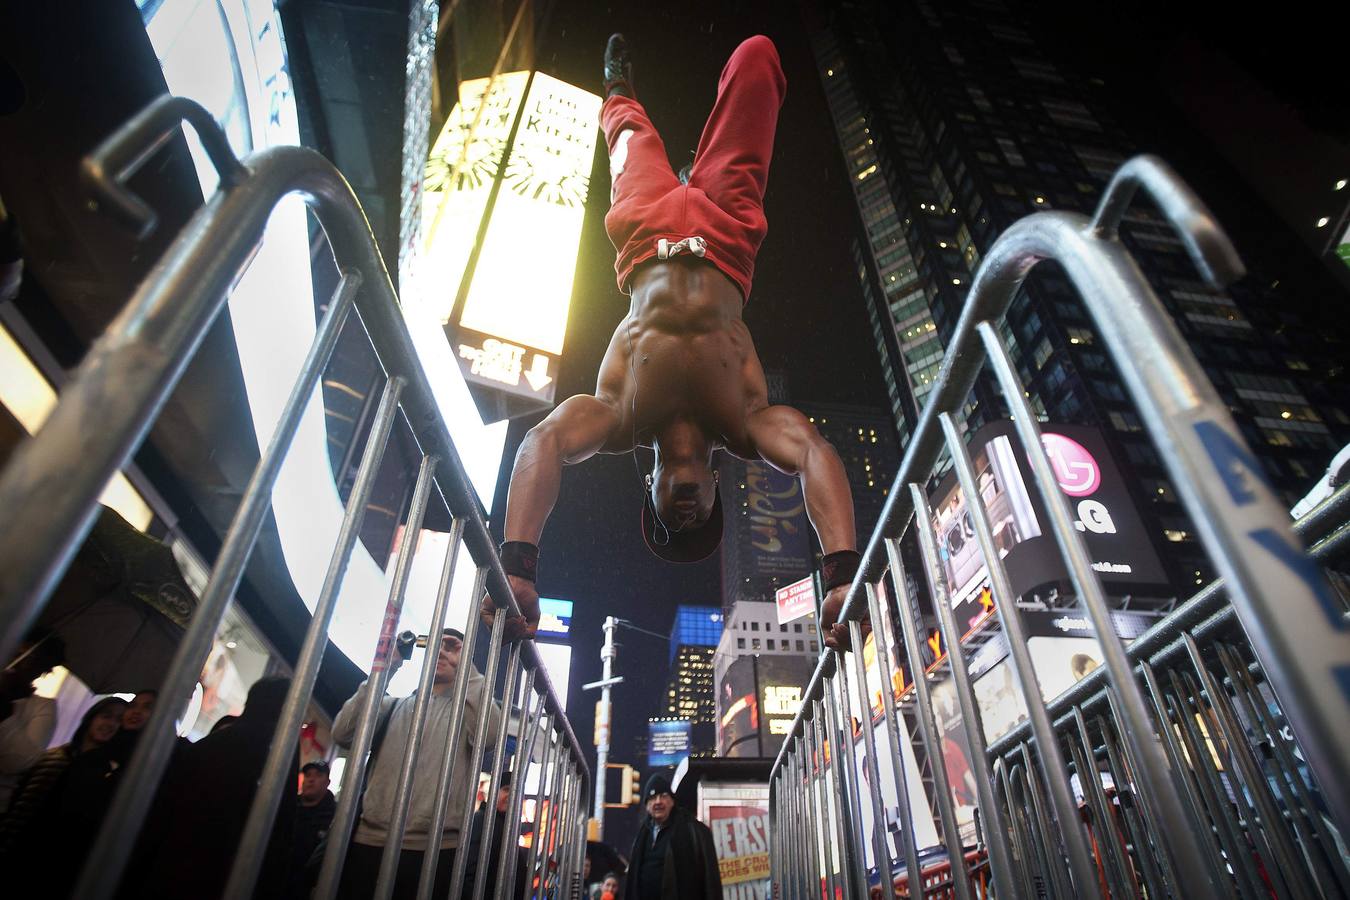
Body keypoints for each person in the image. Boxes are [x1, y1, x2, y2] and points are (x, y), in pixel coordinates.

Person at [487, 34, 862, 650]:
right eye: (700, 524)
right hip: (726, 231)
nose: (687, 520)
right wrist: (842, 574)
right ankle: (686, 101)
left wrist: (520, 565)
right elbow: (815, 453)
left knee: (628, 135)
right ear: (717, 492)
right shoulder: (746, 424)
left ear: (652, 492)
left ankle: (617, 87)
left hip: (647, 230)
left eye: (670, 525)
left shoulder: (617, 418)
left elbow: (543, 440)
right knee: (760, 58)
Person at [331, 627, 502, 899]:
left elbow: (491, 736)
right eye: (438, 646)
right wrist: (387, 667)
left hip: (436, 848)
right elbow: (343, 733)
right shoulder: (392, 706)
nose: (444, 652)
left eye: (453, 647)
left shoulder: (468, 716)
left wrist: (467, 669)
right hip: (370, 841)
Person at [127, 676, 296, 899]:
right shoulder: (278, 757)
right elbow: (279, 836)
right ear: (285, 708)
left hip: (168, 869)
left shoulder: (206, 747)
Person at [0, 696, 126, 863]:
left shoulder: (107, 771)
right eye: (106, 715)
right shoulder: (52, 756)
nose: (111, 724)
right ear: (92, 718)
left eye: (118, 720)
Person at [626, 774, 721, 900]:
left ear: (672, 801)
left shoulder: (695, 831)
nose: (658, 801)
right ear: (647, 805)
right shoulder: (643, 834)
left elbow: (711, 880)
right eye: (653, 798)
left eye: (663, 796)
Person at [0, 629, 65, 811]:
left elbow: (20, 763)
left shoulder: (42, 707)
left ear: (43, 670)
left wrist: (5, 713)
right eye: (18, 653)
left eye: (32, 659)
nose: (20, 662)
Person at [461, 769, 528, 898]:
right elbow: (468, 874)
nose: (512, 795)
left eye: (518, 792)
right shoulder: (483, 821)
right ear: (493, 792)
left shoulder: (504, 825)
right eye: (507, 789)